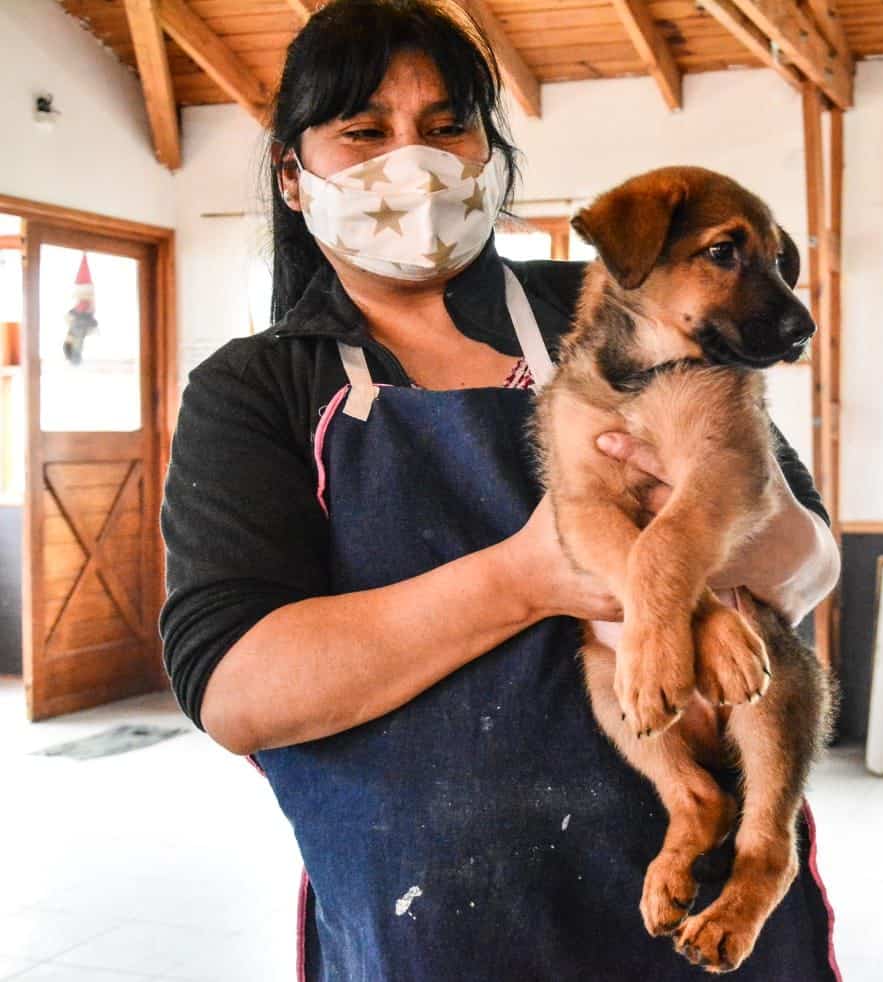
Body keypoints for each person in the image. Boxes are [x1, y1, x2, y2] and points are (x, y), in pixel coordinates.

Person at [160, 1, 842, 978]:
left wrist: (704, 553)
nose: (414, 162)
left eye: (447, 127)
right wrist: (533, 574)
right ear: (290, 173)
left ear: (486, 153)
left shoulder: (609, 306)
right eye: (363, 131)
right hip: (438, 930)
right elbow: (236, 691)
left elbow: (809, 550)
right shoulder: (258, 388)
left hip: (709, 909)